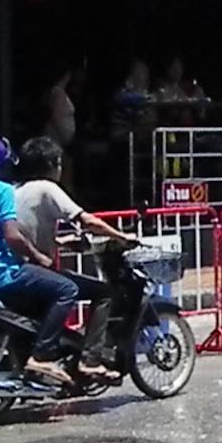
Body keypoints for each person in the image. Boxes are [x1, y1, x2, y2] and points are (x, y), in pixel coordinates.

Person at [12, 137, 138, 382]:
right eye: (58, 163)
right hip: (34, 271)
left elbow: (25, 231)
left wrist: (61, 242)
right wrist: (122, 236)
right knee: (103, 293)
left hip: (19, 268)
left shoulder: (15, 190)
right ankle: (90, 360)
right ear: (51, 164)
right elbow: (86, 220)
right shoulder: (46, 188)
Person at [0, 139, 110, 387]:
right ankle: (43, 357)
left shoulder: (15, 190)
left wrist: (59, 242)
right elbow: (13, 235)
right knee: (68, 289)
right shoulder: (4, 190)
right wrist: (38, 256)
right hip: (4, 271)